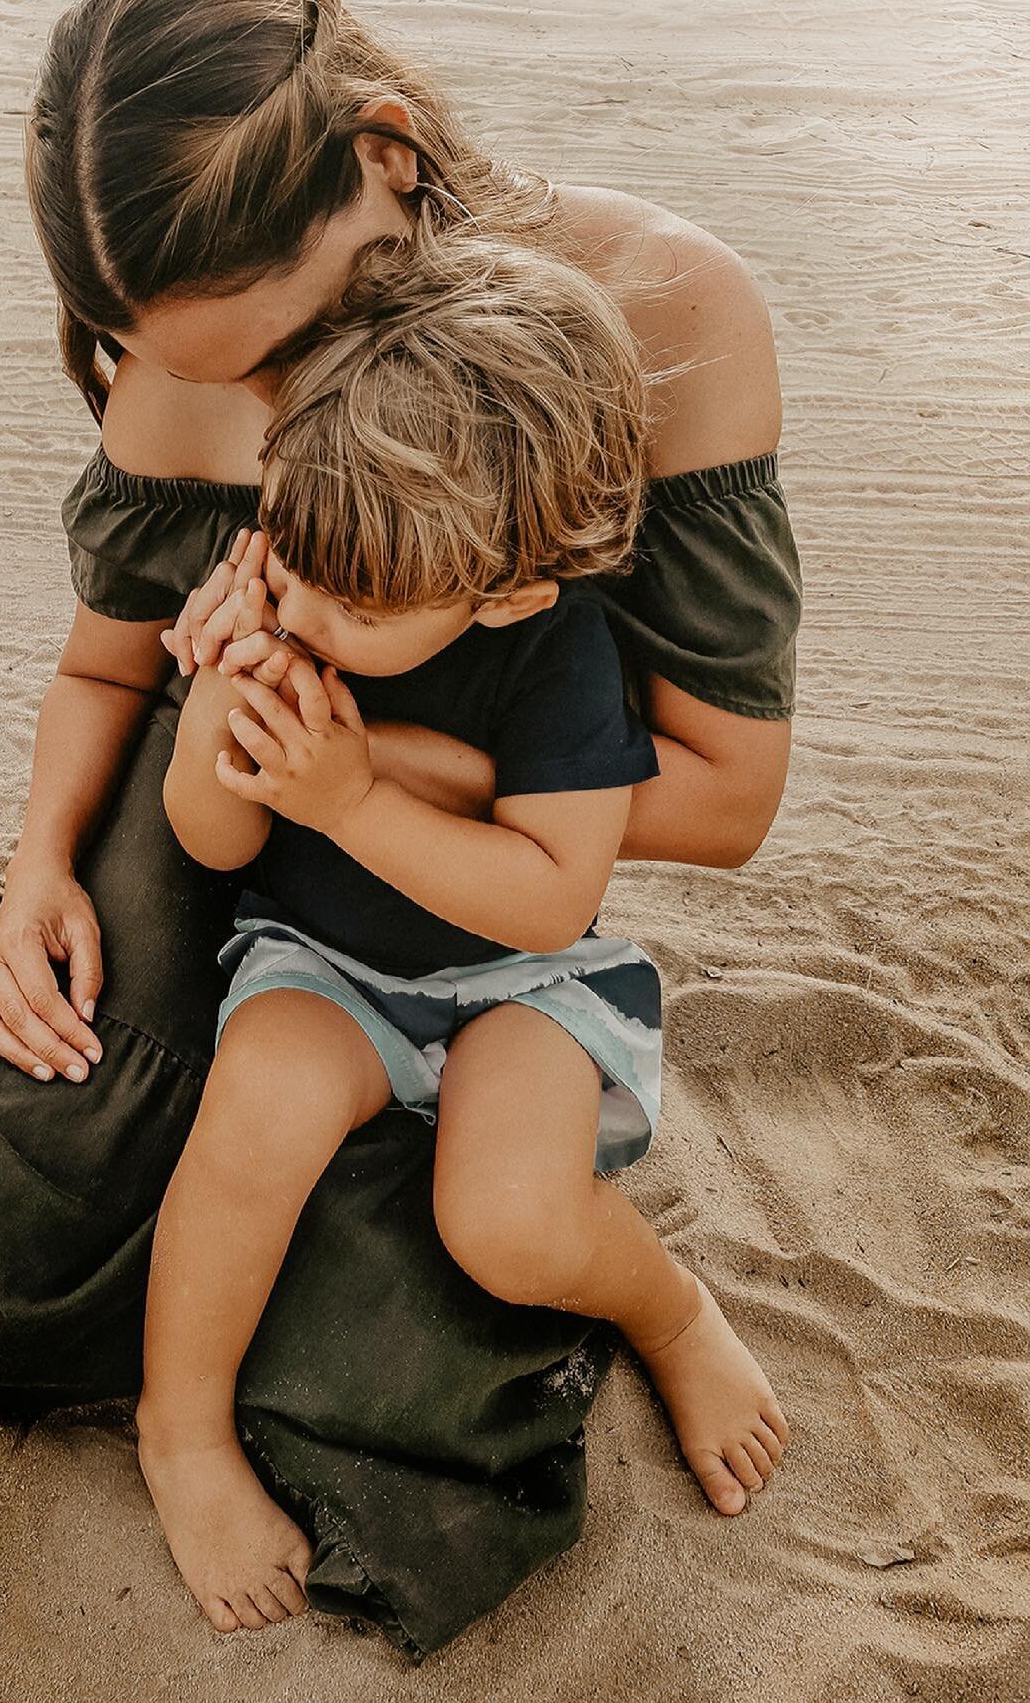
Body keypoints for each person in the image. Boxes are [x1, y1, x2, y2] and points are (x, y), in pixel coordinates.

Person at [0, 0, 801, 1655]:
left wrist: (368, 780)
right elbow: (111, 671)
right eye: (225, 379)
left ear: (388, 156)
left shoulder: (659, 314)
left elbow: (725, 799)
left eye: (293, 346)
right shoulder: (193, 349)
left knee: (431, 1361)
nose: (275, 422)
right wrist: (55, 863)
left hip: (459, 873)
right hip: (236, 807)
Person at [133, 229, 787, 1633]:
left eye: (352, 606)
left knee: (506, 1222)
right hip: (323, 964)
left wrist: (355, 796)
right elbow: (214, 843)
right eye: (287, 556)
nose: (302, 609)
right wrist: (215, 721)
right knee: (256, 1111)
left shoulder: (559, 653)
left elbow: (553, 891)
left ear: (504, 589)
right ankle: (178, 1429)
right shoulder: (302, 571)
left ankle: (670, 1313)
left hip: (521, 979)